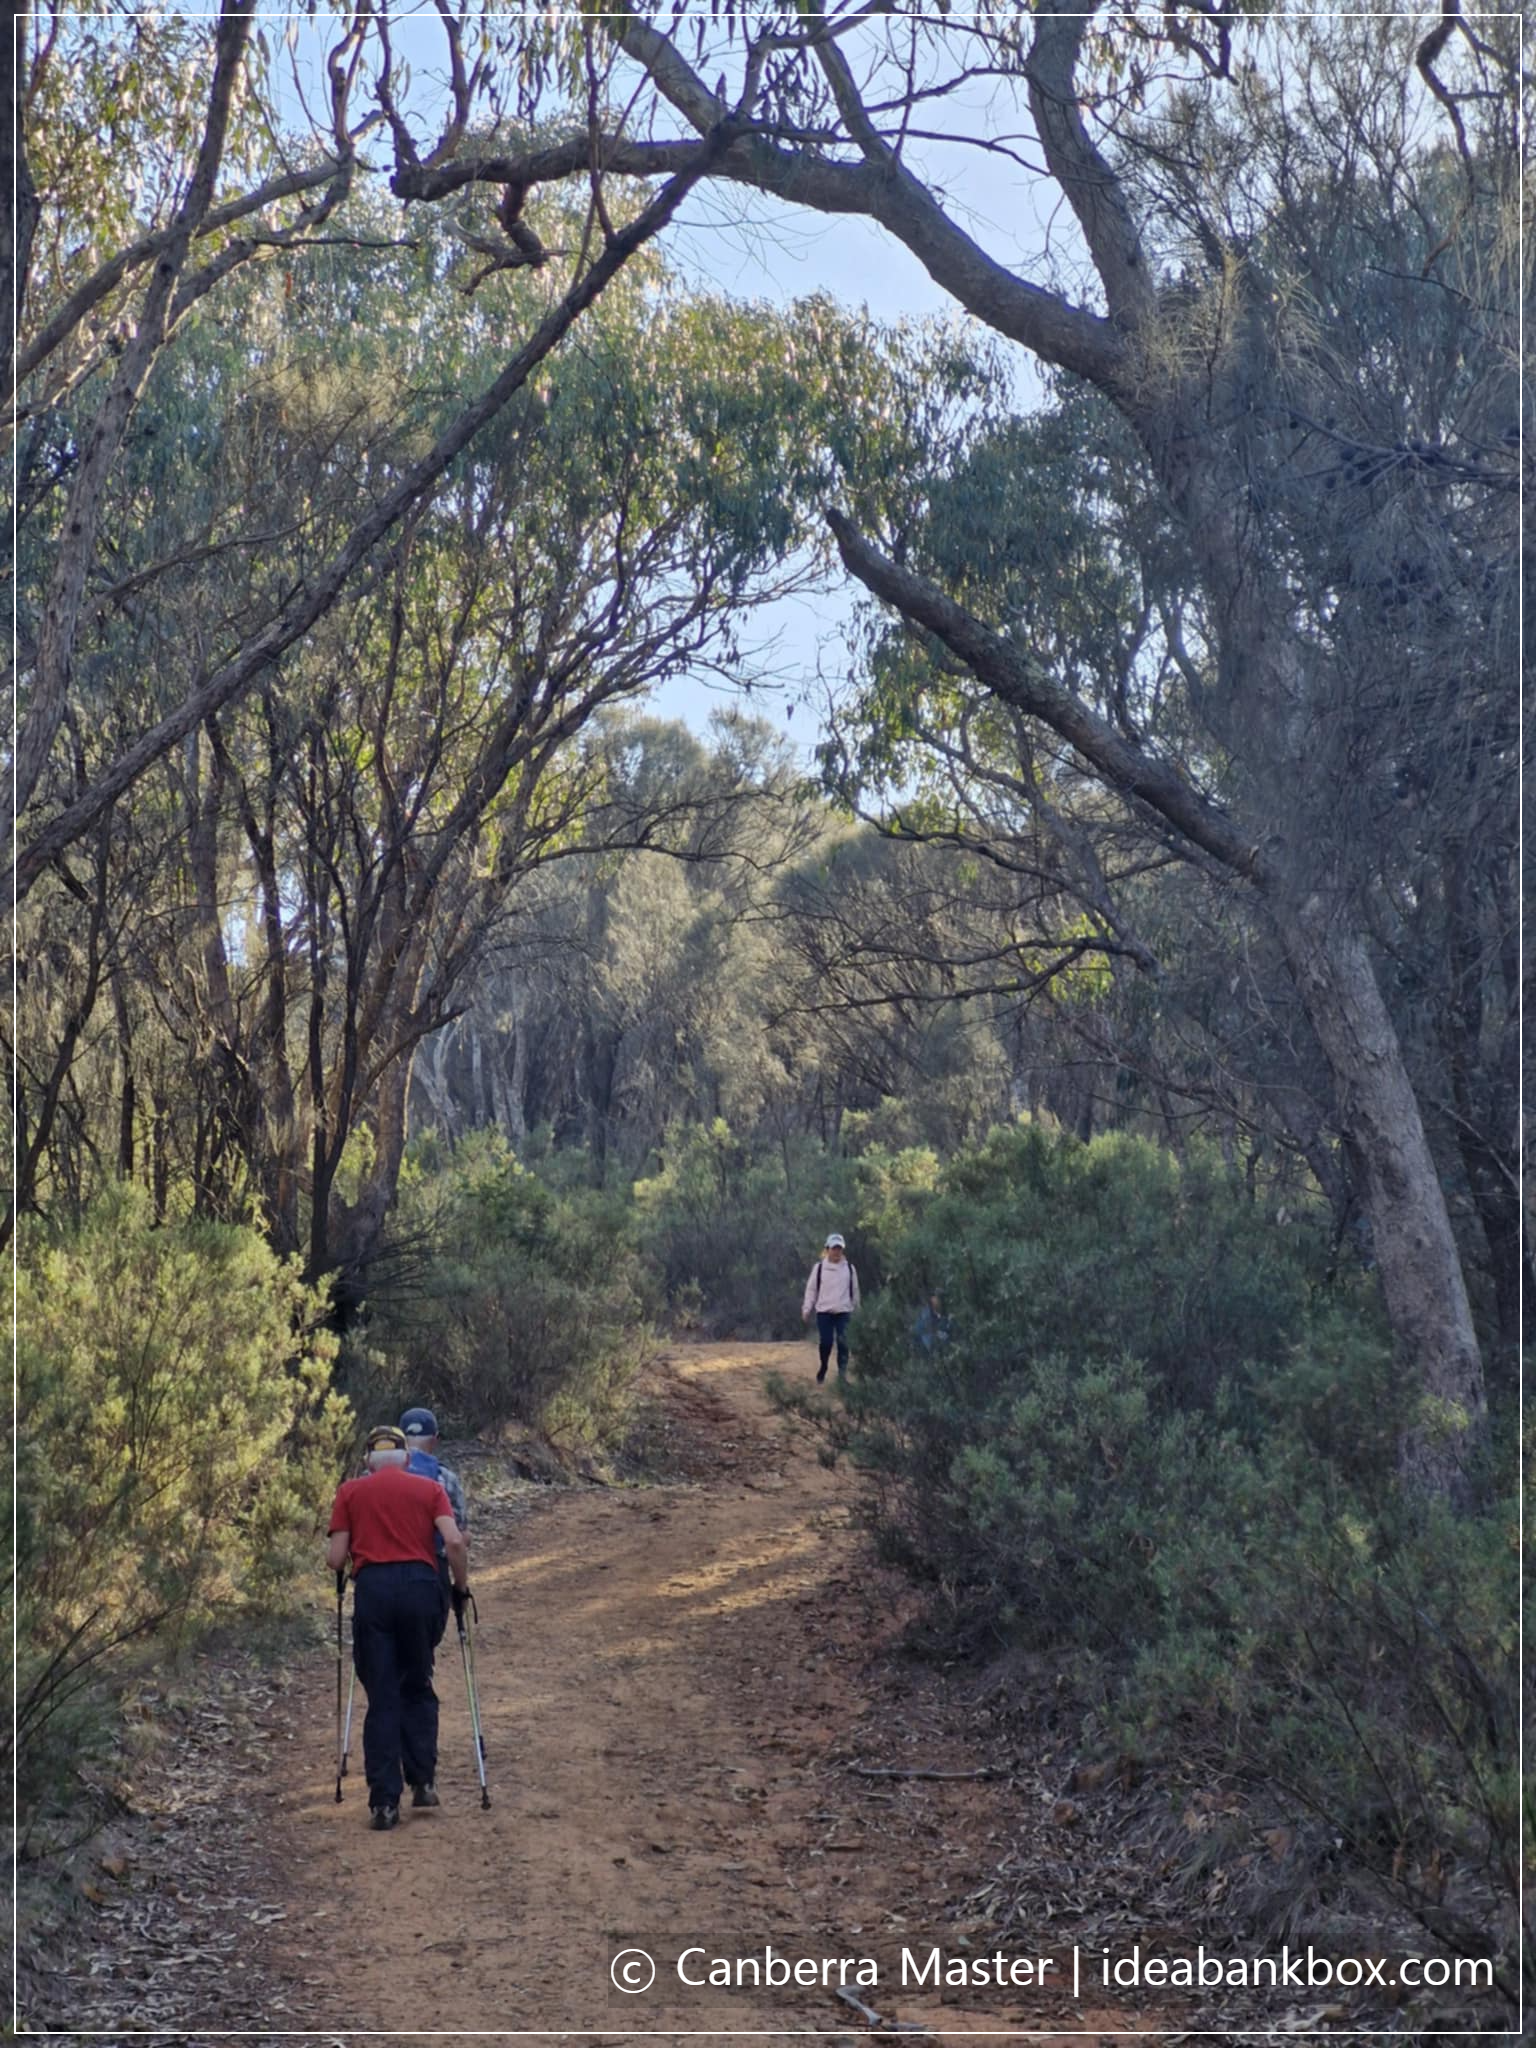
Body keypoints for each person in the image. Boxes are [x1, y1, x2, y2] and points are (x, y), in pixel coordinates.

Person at [327, 1424, 469, 1831]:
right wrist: (460, 1588)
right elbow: (455, 1543)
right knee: (417, 1683)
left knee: (383, 1695)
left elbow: (336, 1559)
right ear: (407, 1459)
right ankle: (423, 1780)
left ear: (368, 1462)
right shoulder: (429, 1490)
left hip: (374, 1593)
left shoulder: (350, 1492)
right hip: (422, 1591)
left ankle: (384, 1803)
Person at [398, 1406, 469, 1645]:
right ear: (435, 1440)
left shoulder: (371, 1476)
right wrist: (460, 1587)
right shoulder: (445, 1479)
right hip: (430, 1573)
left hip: (379, 1574)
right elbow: (459, 1537)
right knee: (422, 1650)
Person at [801, 1232, 861, 1384]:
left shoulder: (849, 1268)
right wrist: (807, 1308)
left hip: (844, 1311)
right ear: (827, 1249)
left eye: (839, 1248)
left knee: (844, 1343)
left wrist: (858, 1311)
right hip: (824, 1312)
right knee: (826, 1342)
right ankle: (824, 1366)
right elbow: (811, 1290)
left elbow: (855, 1290)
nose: (837, 1252)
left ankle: (842, 1375)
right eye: (834, 1248)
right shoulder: (819, 1268)